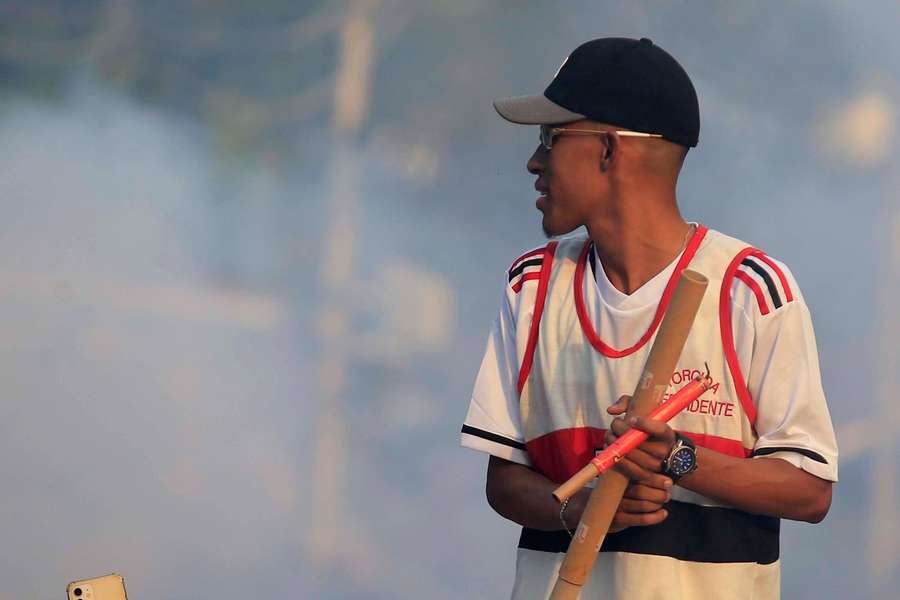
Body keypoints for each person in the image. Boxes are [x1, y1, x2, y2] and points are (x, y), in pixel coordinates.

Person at [459, 37, 838, 600]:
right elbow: (506, 481)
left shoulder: (749, 289)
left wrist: (678, 458)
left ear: (610, 150)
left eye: (551, 138)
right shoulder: (533, 286)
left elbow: (810, 492)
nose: (534, 162)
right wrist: (579, 510)